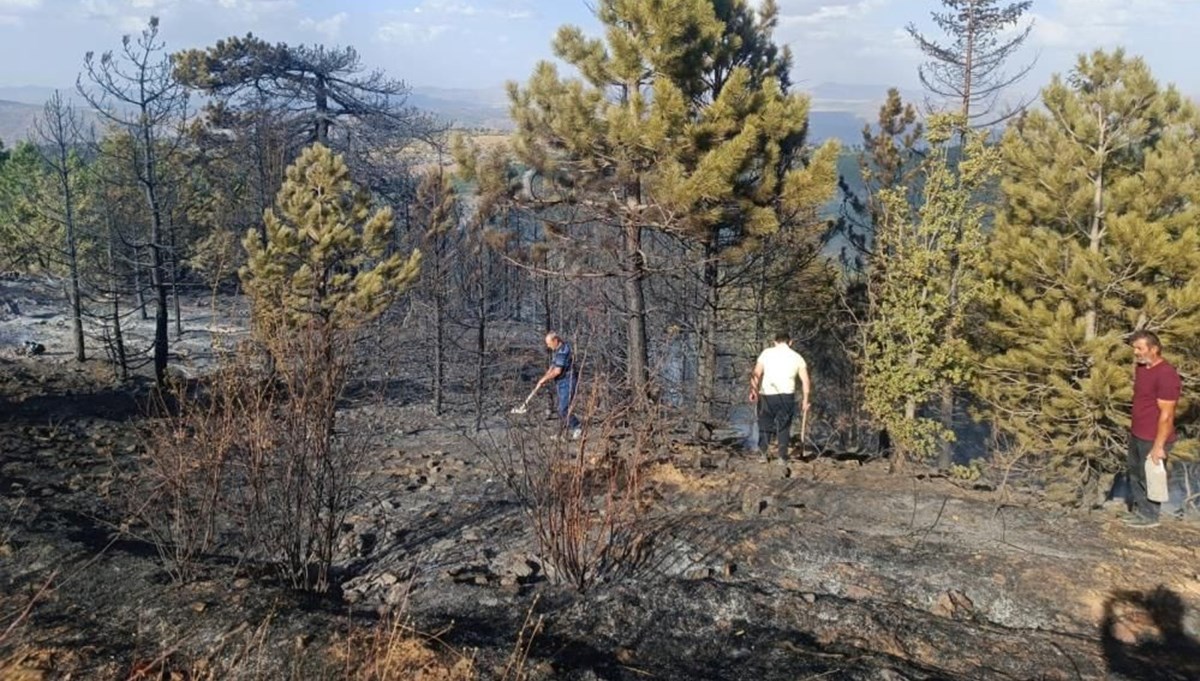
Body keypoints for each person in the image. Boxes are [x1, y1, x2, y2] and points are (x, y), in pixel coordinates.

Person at [1126, 330, 1181, 528]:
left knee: (1148, 475)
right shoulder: (1142, 368)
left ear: (1154, 349)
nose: (1136, 352)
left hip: (1154, 436)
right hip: (1138, 432)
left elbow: (1167, 415)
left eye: (1140, 348)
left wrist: (1159, 447)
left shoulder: (1166, 375)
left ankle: (1150, 517)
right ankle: (1140, 511)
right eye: (1135, 348)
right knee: (1135, 472)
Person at [749, 331, 811, 463]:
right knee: (783, 426)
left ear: (775, 342)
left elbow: (756, 374)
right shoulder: (797, 357)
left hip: (767, 394)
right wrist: (805, 399)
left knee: (765, 424)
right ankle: (782, 457)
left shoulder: (766, 353)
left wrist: (753, 391)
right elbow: (805, 381)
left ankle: (763, 454)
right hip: (786, 396)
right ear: (790, 342)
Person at [534, 331, 582, 439]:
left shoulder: (563, 351)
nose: (548, 346)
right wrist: (543, 379)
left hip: (567, 381)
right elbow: (552, 367)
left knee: (563, 409)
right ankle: (561, 434)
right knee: (561, 409)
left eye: (549, 343)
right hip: (561, 382)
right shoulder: (557, 351)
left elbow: (557, 371)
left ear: (556, 340)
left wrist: (545, 379)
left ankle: (577, 427)